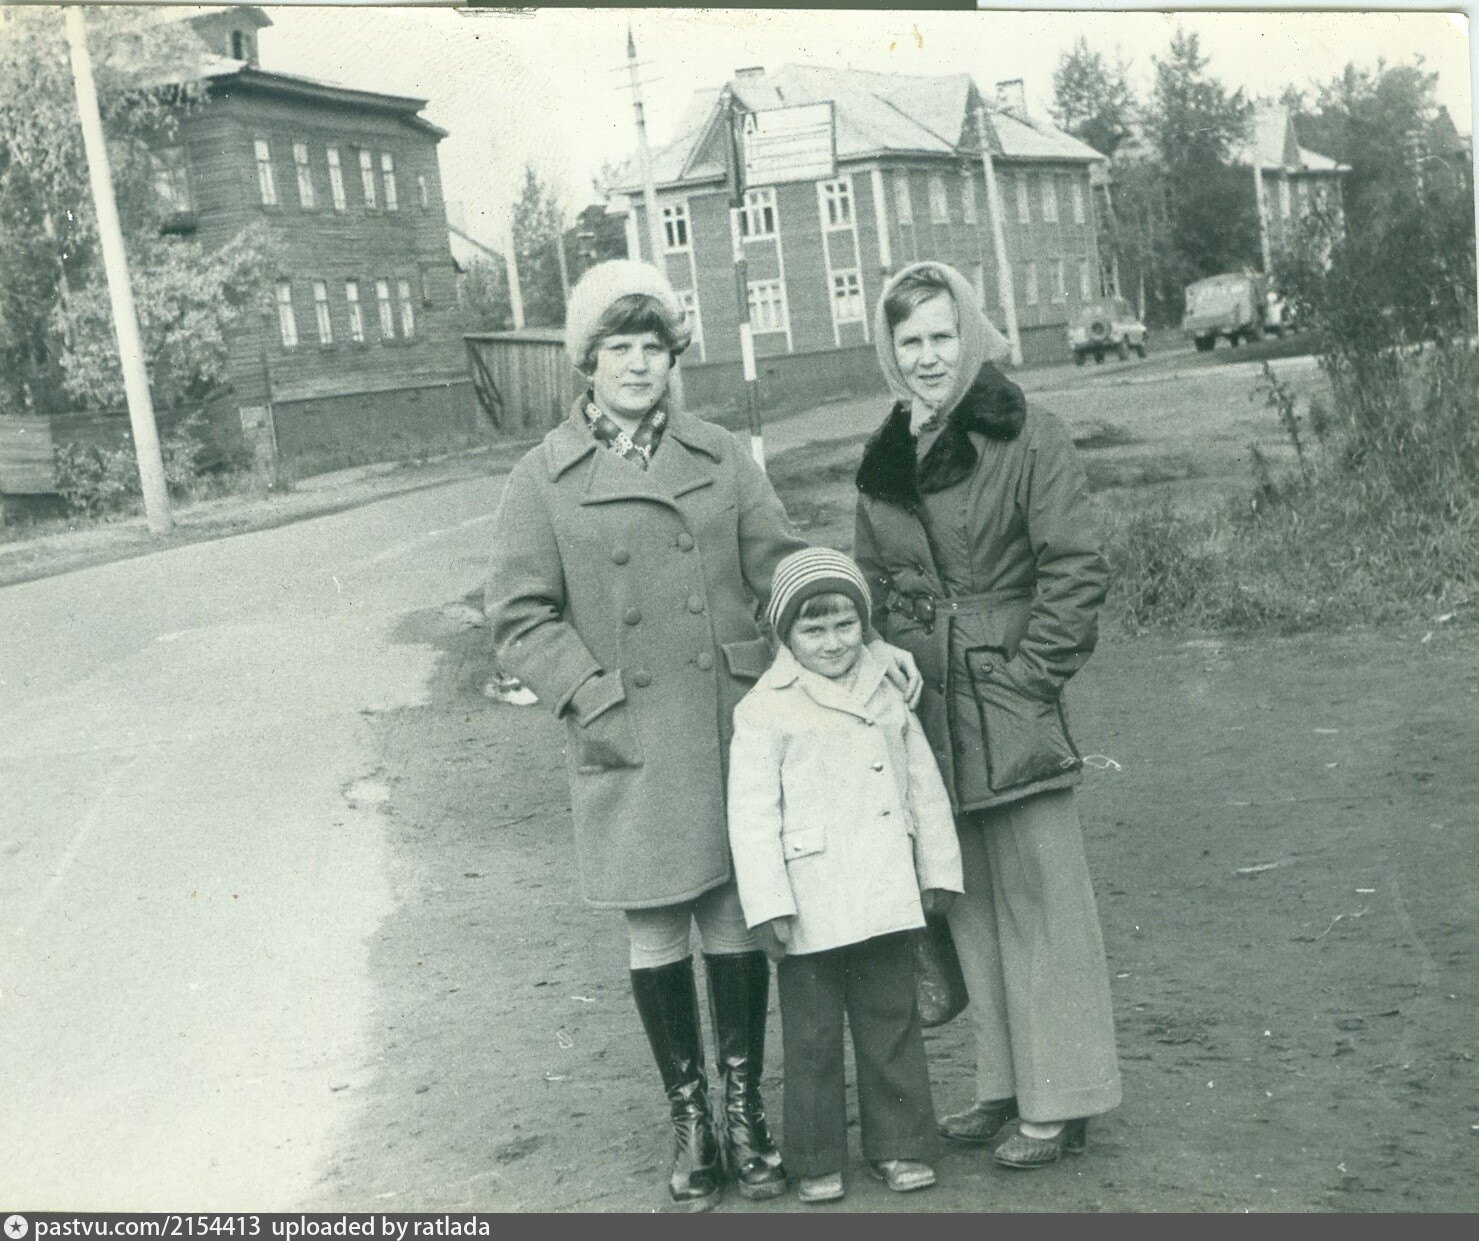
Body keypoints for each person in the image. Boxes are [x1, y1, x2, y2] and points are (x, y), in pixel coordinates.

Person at [483, 259, 920, 1209]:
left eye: (654, 346)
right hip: (625, 730)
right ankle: (690, 1119)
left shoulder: (720, 454)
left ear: (673, 356)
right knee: (653, 920)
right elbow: (518, 615)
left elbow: (783, 568)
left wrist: (864, 634)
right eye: (619, 348)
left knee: (730, 912)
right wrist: (591, 696)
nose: (639, 364)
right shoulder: (541, 476)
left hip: (728, 722)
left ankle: (745, 1111)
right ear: (586, 362)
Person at [852, 260, 1122, 1170]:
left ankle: (1064, 1096)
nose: (927, 356)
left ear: (970, 335)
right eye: (909, 340)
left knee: (1043, 897)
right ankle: (1004, 1085)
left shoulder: (1027, 433)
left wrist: (1028, 676)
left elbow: (1074, 568)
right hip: (926, 703)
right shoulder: (885, 452)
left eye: (942, 335)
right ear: (888, 350)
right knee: (967, 901)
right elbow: (874, 583)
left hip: (1007, 694)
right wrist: (883, 660)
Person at [726, 547, 964, 1205]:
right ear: (785, 633)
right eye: (813, 629)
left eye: (844, 624)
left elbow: (923, 786)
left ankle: (901, 1144)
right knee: (811, 1038)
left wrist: (938, 868)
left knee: (892, 1023)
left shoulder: (886, 693)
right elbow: (752, 817)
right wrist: (768, 904)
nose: (832, 643)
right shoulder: (762, 709)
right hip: (812, 901)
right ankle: (815, 1156)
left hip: (884, 890)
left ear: (864, 624)